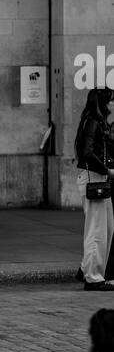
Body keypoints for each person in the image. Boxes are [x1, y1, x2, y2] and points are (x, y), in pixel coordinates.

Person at [74, 87, 114, 289]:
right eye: (111, 101)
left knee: (107, 228)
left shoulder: (98, 123)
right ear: (102, 104)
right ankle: (93, 277)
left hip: (98, 177)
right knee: (96, 230)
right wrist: (108, 170)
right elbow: (87, 153)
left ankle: (87, 269)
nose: (113, 104)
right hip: (93, 177)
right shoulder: (92, 123)